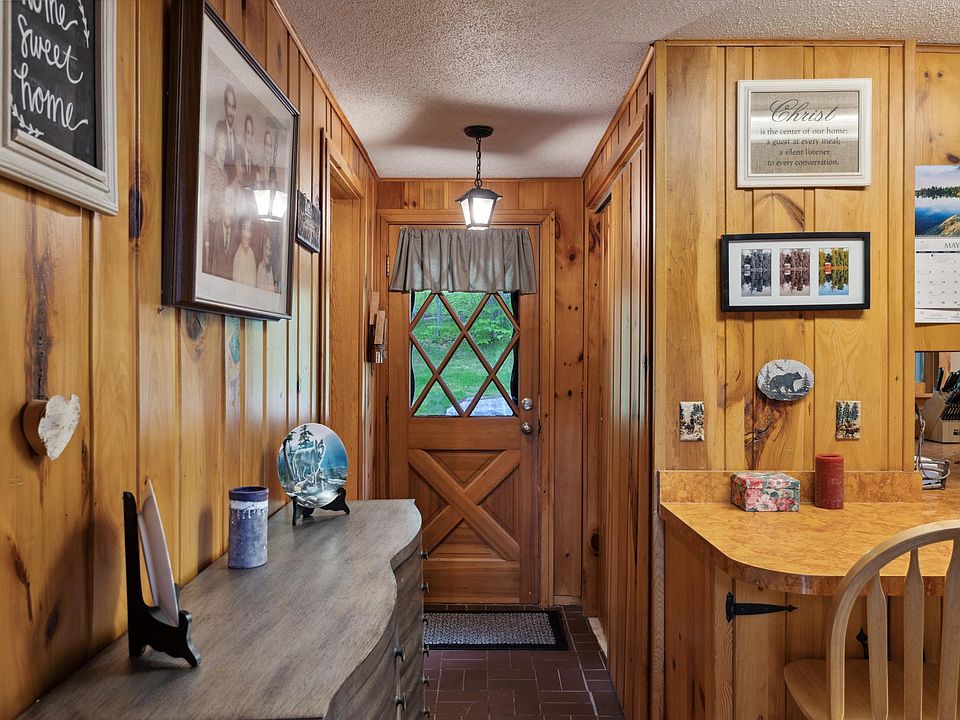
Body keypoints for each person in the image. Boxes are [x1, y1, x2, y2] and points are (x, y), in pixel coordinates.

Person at [202, 124, 229, 274]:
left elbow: (224, 203)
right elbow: (206, 199)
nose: (223, 147)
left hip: (218, 225)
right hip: (209, 224)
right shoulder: (212, 166)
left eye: (225, 143)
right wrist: (206, 233)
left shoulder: (225, 175)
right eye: (221, 142)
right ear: (217, 144)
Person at [210, 183, 238, 279]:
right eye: (227, 204)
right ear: (221, 206)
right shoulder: (213, 232)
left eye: (231, 205)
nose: (229, 210)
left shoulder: (237, 234)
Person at [233, 192, 258, 287]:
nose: (247, 235)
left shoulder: (251, 254)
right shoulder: (238, 256)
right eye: (244, 228)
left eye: (249, 229)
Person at [215, 84, 238, 182]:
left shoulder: (235, 138)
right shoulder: (220, 126)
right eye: (229, 105)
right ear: (225, 107)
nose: (231, 111)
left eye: (233, 107)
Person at [239, 114, 258, 188]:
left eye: (251, 133)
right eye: (248, 132)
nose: (250, 137)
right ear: (244, 134)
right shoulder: (239, 157)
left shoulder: (254, 165)